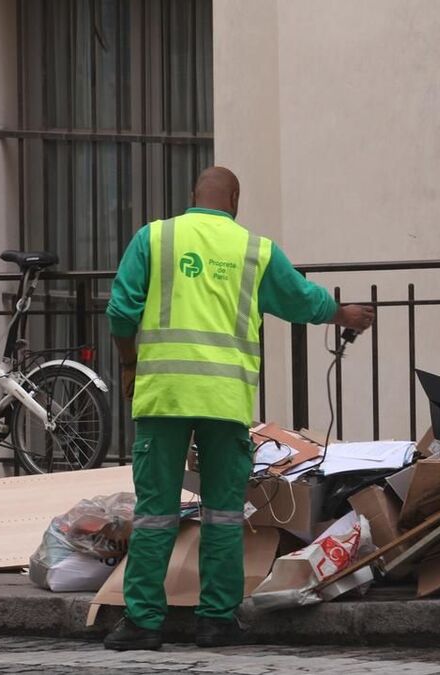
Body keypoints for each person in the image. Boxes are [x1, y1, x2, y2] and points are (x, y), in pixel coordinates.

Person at [102, 166, 374, 651]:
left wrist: (129, 364)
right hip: (224, 401)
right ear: (235, 200)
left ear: (192, 196)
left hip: (164, 396)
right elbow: (301, 299)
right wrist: (343, 315)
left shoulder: (155, 238)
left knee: (155, 512)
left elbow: (121, 312)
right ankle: (216, 621)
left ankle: (143, 623)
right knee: (224, 513)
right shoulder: (255, 250)